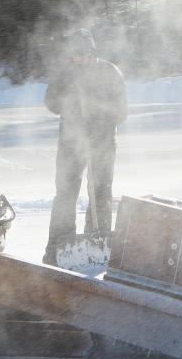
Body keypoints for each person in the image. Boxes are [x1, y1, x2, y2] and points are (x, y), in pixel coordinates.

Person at [43, 29, 128, 265]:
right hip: (70, 142)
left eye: (82, 53)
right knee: (65, 194)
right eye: (74, 53)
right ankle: (57, 248)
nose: (77, 58)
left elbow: (121, 111)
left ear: (92, 52)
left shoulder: (109, 72)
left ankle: (97, 245)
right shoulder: (64, 73)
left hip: (101, 143)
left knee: (100, 193)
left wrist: (98, 121)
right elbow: (51, 103)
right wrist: (64, 94)